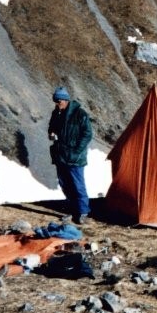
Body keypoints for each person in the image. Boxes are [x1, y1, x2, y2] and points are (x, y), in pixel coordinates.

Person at [49, 86, 94, 224]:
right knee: (65, 184)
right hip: (61, 156)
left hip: (75, 158)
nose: (57, 103)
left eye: (59, 101)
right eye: (56, 101)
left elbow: (87, 134)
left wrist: (77, 151)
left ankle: (83, 212)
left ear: (66, 100)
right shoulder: (56, 113)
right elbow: (51, 127)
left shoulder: (80, 114)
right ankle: (73, 210)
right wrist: (51, 134)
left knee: (78, 185)